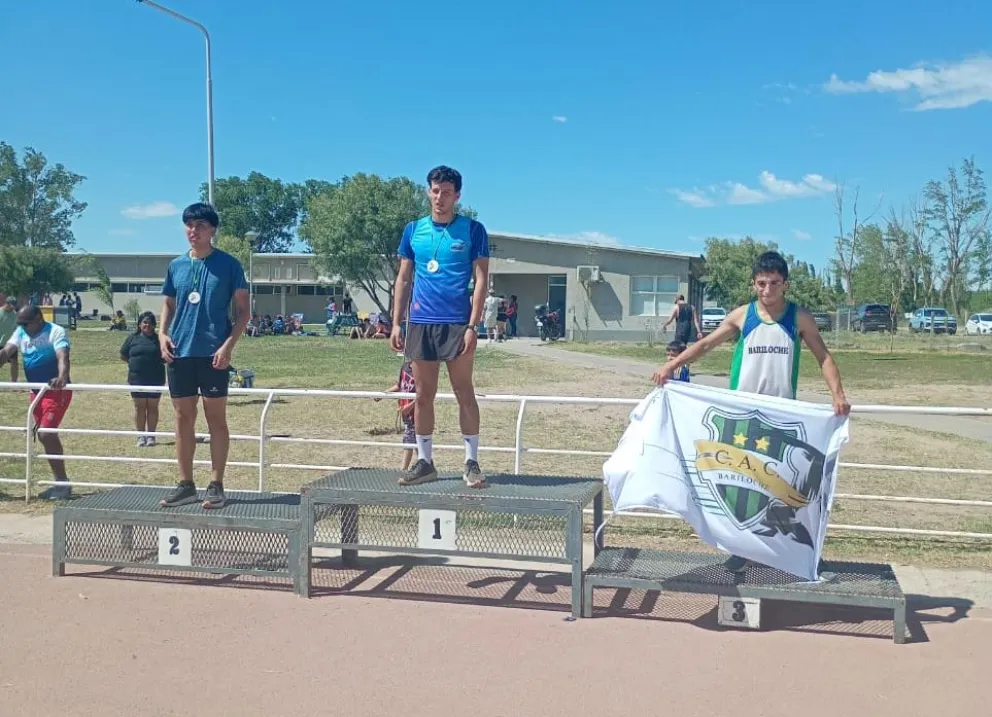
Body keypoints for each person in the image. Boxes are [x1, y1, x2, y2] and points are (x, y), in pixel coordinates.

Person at [652, 250, 850, 572]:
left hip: (782, 415)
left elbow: (823, 356)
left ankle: (800, 553)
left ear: (785, 284)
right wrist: (672, 364)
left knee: (786, 488)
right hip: (742, 415)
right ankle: (741, 549)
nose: (767, 290)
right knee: (741, 486)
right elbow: (705, 345)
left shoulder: (799, 318)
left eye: (774, 283)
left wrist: (838, 395)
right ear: (753, 284)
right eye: (761, 283)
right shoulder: (744, 315)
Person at [390, 165, 490, 488]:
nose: (440, 197)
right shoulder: (413, 230)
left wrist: (473, 326)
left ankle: (471, 462)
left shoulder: (473, 230)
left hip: (457, 325)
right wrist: (395, 322)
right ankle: (425, 461)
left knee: (464, 391)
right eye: (435, 190)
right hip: (420, 323)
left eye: (447, 192)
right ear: (428, 191)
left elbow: (481, 279)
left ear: (457, 195)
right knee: (423, 395)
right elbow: (404, 278)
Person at [158, 202, 250, 510]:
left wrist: (228, 345)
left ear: (212, 230)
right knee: (183, 417)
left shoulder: (229, 265)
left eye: (199, 225)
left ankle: (216, 484)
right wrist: (162, 333)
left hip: (213, 354)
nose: (192, 231)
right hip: (180, 352)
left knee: (216, 420)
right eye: (188, 225)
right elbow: (169, 304)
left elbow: (244, 312)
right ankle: (185, 484)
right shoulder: (176, 266)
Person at [0, 305, 73, 500]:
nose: (23, 327)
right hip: (36, 392)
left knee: (46, 433)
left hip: (56, 390)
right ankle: (60, 482)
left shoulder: (55, 331)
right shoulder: (20, 332)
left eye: (26, 323)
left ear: (38, 318)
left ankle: (63, 484)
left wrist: (61, 376)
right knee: (43, 436)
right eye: (20, 324)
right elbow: (7, 351)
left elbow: (62, 356)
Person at [119, 311, 166, 447]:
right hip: (136, 378)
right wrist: (135, 364)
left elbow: (166, 356)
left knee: (152, 407)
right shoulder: (132, 338)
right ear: (139, 324)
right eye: (145, 322)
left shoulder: (159, 340)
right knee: (140, 407)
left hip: (155, 378)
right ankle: (140, 436)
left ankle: (151, 436)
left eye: (150, 323)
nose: (148, 325)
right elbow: (123, 355)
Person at [378, 359, 417, 470]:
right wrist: (384, 394)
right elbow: (399, 385)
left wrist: (409, 407)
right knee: (416, 442)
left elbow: (423, 393)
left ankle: (403, 469)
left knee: (409, 441)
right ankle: (425, 463)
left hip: (416, 414)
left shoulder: (420, 370)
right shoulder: (405, 367)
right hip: (406, 414)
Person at [0, 293, 19, 383]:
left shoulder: (14, 314)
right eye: (11, 306)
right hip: (0, 343)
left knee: (14, 363)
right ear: (6, 303)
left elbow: (16, 328)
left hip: (11, 343)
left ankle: (14, 384)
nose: (12, 308)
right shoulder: (0, 313)